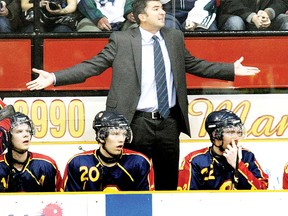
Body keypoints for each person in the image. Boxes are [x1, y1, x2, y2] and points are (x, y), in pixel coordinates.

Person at [26, 0, 260, 190]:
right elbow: (92, 66)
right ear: (142, 16)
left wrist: (230, 70)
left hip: (169, 122)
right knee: (134, 179)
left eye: (162, 8)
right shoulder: (122, 40)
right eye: (156, 8)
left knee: (167, 183)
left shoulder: (174, 37)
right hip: (136, 121)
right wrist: (54, 77)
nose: (162, 11)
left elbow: (195, 64)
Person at [62, 110, 154, 191]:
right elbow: (69, 202)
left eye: (124, 134)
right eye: (115, 134)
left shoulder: (139, 162)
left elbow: (146, 202)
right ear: (101, 136)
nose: (121, 139)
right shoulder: (78, 163)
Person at [178, 109, 269, 190]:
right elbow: (187, 199)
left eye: (238, 132)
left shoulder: (247, 156)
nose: (236, 137)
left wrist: (238, 165)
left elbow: (262, 191)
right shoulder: (194, 160)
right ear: (215, 135)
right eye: (231, 132)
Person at [0, 112, 63, 192]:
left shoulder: (46, 165)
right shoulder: (1, 165)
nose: (26, 135)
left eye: (28, 131)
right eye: (19, 131)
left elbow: (59, 201)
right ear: (8, 136)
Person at [217, 0, 288, 31]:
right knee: (235, 22)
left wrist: (268, 13)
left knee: (285, 20)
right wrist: (252, 17)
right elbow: (230, 3)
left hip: (268, 18)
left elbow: (282, 2)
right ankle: (234, 60)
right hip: (239, 15)